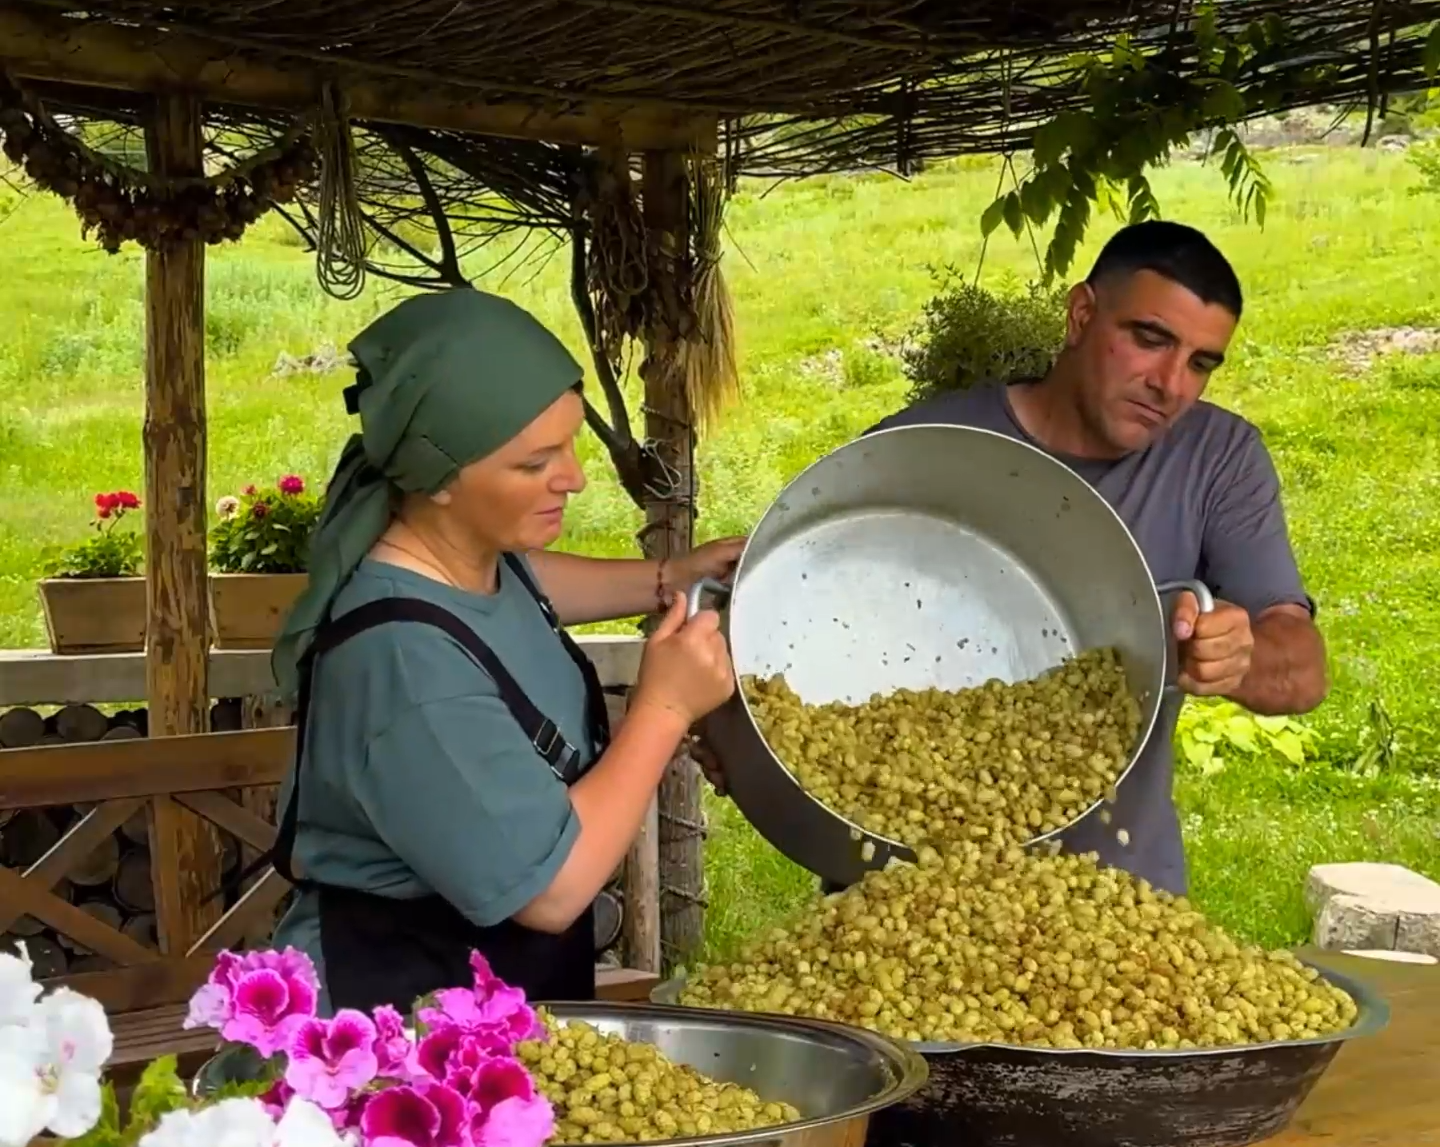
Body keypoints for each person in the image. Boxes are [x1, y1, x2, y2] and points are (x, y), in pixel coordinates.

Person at [694, 221, 1325, 900]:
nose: (1171, 384)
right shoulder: (925, 452)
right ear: (1082, 314)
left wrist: (1240, 657)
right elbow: (777, 617)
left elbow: (1303, 668)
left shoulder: (1217, 458)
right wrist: (733, 728)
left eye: (1201, 363)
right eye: (1149, 339)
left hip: (1116, 907)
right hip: (904, 905)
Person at [268, 286, 740, 1016]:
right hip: (398, 1030)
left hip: (496, 1004)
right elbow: (551, 890)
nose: (576, 476)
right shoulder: (405, 671)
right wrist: (666, 707)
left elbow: (528, 588)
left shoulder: (466, 557)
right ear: (441, 481)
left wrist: (669, 577)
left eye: (571, 442)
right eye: (535, 463)